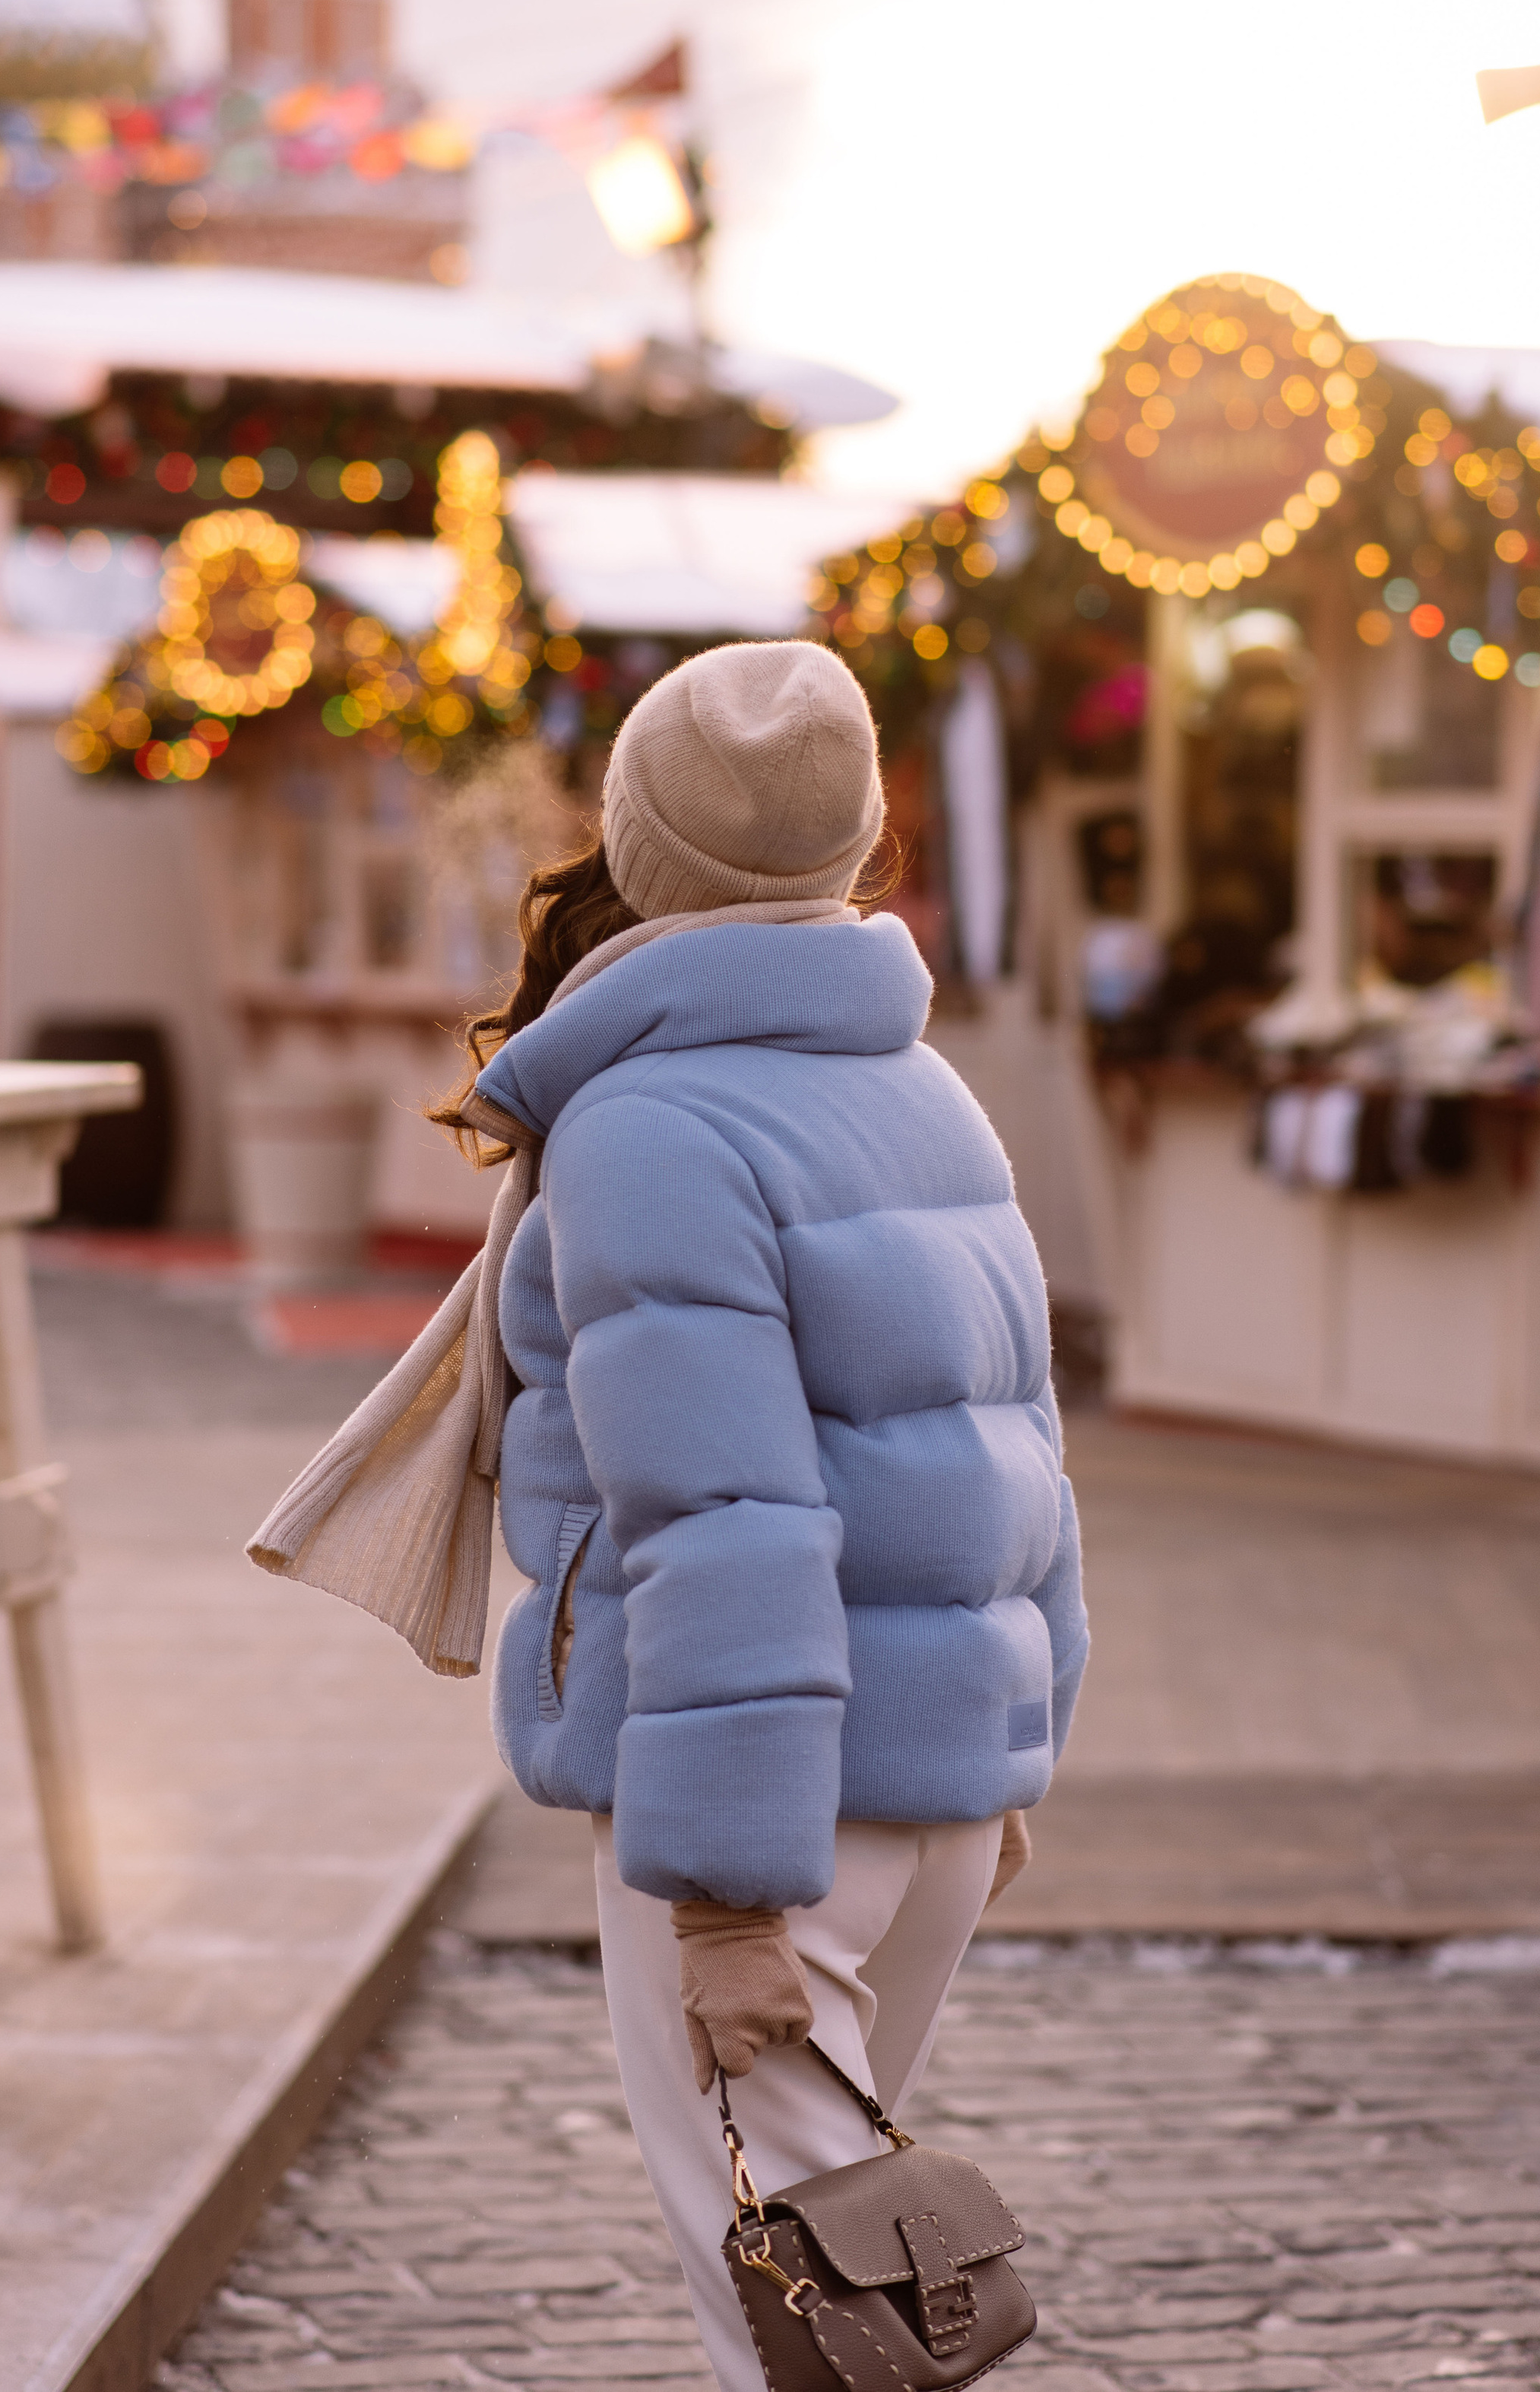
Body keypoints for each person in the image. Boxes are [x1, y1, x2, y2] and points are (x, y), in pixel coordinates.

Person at [432, 637, 1088, 2392]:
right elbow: (1022, 1444)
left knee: (797, 2329)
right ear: (858, 842)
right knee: (835, 2294)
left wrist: (722, 1896)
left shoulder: (645, 1124)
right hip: (923, 1786)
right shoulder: (920, 1087)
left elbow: (722, 1518)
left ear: (633, 840)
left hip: (756, 1807)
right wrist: (1004, 1744)